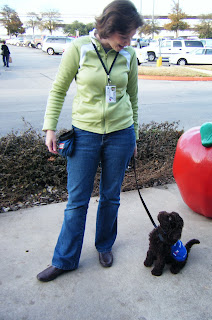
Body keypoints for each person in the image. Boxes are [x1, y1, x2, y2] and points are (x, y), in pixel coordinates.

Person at [37, 0, 143, 282]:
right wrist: (50, 128)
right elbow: (58, 89)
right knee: (77, 200)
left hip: (121, 133)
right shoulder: (79, 48)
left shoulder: (129, 55)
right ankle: (65, 259)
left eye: (132, 37)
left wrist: (133, 135)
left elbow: (132, 97)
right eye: (125, 36)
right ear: (109, 28)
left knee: (111, 196)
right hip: (84, 134)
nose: (128, 42)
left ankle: (104, 245)